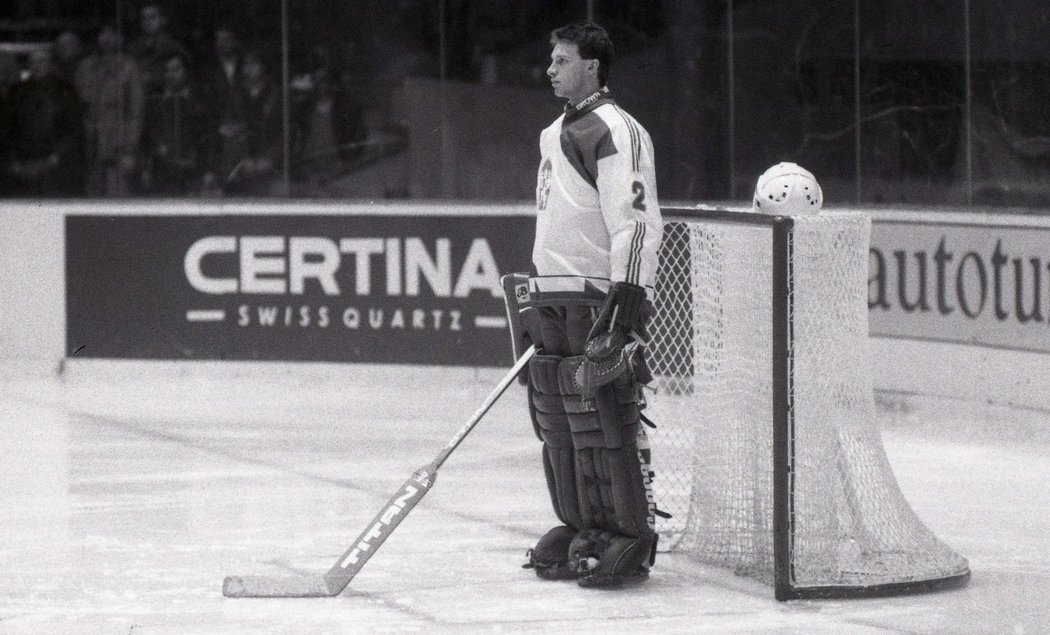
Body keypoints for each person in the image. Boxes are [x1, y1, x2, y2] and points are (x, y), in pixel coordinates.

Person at [512, 22, 663, 588]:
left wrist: (626, 300)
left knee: (602, 419)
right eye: (550, 60)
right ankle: (580, 525)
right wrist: (532, 295)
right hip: (552, 295)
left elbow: (638, 221)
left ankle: (627, 533)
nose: (550, 69)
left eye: (561, 60)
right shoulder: (553, 132)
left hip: (597, 297)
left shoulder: (619, 130)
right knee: (557, 418)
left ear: (593, 65)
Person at [2, 47, 84, 196]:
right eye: (33, 62)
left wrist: (55, 157)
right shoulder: (16, 92)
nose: (37, 65)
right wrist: (13, 160)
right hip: (23, 165)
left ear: (50, 64)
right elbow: (8, 128)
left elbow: (73, 129)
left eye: (41, 61)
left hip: (56, 166)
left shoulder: (65, 91)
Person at [75, 25, 145, 197]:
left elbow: (136, 110)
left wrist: (130, 147)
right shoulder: (85, 67)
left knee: (118, 196)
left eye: (112, 34)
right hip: (90, 140)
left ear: (121, 38)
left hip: (118, 141)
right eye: (103, 33)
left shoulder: (129, 67)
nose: (107, 38)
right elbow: (78, 105)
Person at [140, 54, 215, 195]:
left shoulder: (198, 101)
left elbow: (209, 137)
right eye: (167, 70)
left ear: (185, 71)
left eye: (176, 69)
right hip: (163, 172)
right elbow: (148, 136)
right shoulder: (155, 103)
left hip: (194, 171)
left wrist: (209, 169)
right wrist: (147, 167)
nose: (171, 74)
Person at [127, 4, 190, 97]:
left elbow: (183, 74)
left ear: (161, 20)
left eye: (152, 17)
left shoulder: (173, 46)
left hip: (165, 96)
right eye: (144, 18)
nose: (148, 22)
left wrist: (154, 78)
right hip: (139, 96)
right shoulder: (133, 48)